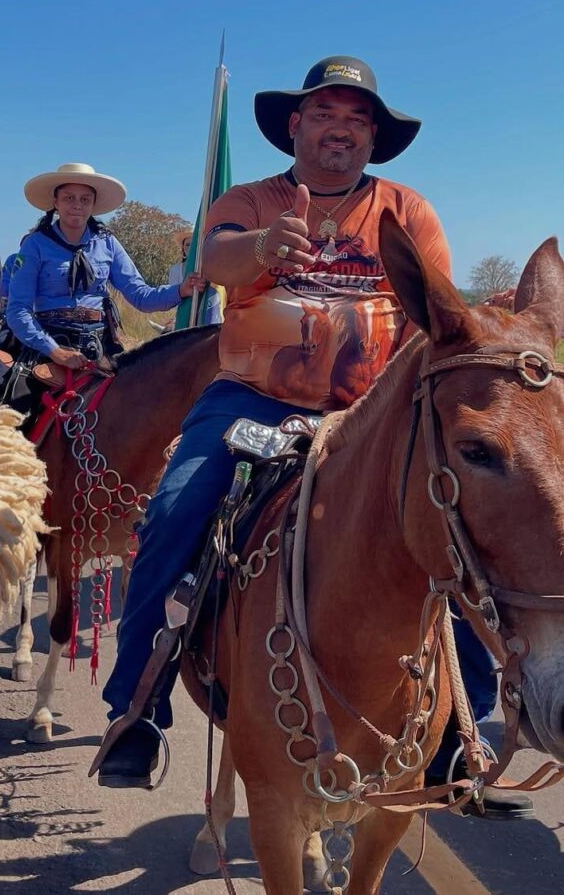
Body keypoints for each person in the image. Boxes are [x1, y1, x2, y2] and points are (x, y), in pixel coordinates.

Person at [98, 56, 528, 820]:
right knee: (171, 511)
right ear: (294, 125)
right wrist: (264, 248)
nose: (342, 127)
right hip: (251, 400)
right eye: (326, 113)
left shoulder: (408, 211)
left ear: (374, 137)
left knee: (455, 524)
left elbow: (436, 311)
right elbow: (215, 258)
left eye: (358, 118)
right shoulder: (249, 200)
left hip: (375, 409)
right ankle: (138, 704)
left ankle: (464, 734)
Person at [6, 162, 205, 371]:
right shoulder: (34, 244)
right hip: (48, 346)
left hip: (99, 347)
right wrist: (55, 351)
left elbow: (140, 295)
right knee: (20, 399)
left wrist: (181, 290)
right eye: (69, 198)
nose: (77, 205)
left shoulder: (107, 243)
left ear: (93, 204)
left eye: (85, 199)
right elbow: (18, 310)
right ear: (55, 202)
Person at [169, 225, 223, 326]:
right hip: (184, 316)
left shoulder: (211, 268)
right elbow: (174, 296)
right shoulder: (175, 270)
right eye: (188, 244)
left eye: (194, 244)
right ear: (183, 249)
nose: (191, 248)